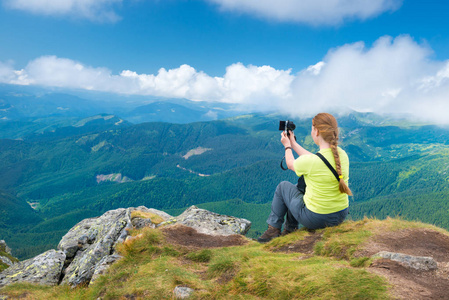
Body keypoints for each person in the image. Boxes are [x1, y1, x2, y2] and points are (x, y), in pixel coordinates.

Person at [258, 113, 352, 243]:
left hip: (317, 218)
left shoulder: (312, 162)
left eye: (312, 128)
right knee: (299, 186)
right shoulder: (342, 155)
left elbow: (290, 164)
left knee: (283, 187)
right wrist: (294, 144)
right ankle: (289, 230)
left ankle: (273, 230)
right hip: (340, 214)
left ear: (317, 131)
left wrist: (287, 146)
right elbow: (317, 160)